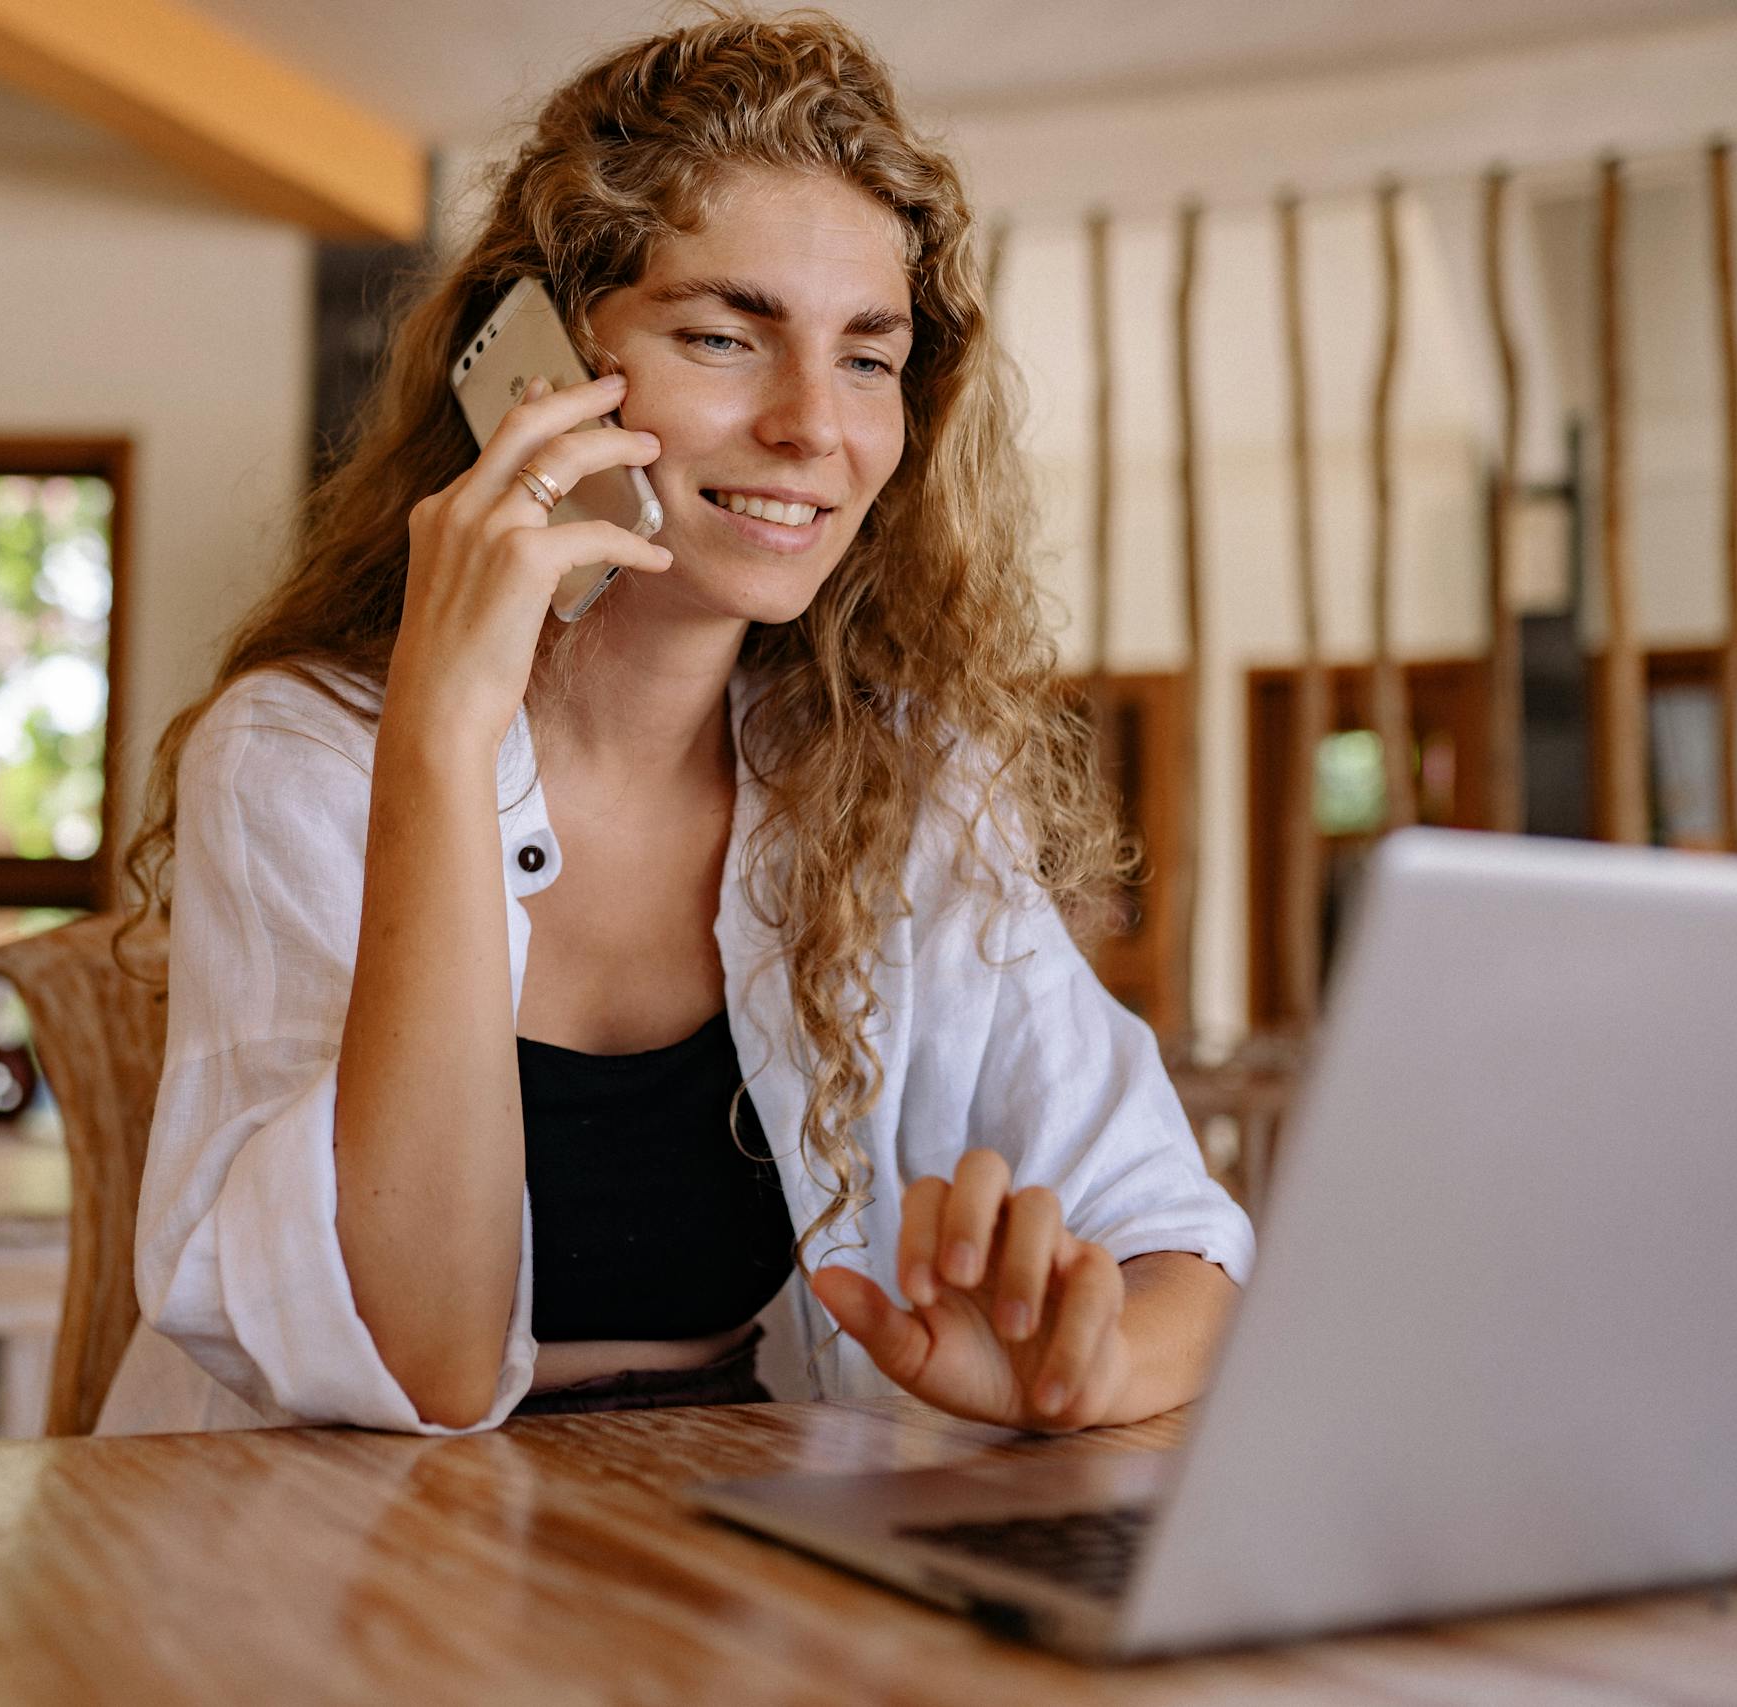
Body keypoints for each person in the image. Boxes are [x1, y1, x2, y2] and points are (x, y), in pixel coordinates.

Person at [95, 10, 1252, 1438]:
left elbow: (1181, 1244)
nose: (811, 427)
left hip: (721, 1534)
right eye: (723, 335)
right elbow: (428, 1363)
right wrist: (445, 738)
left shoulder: (899, 777)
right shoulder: (300, 756)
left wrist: (1091, 1366)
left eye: (868, 360)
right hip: (321, 1558)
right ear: (530, 369)